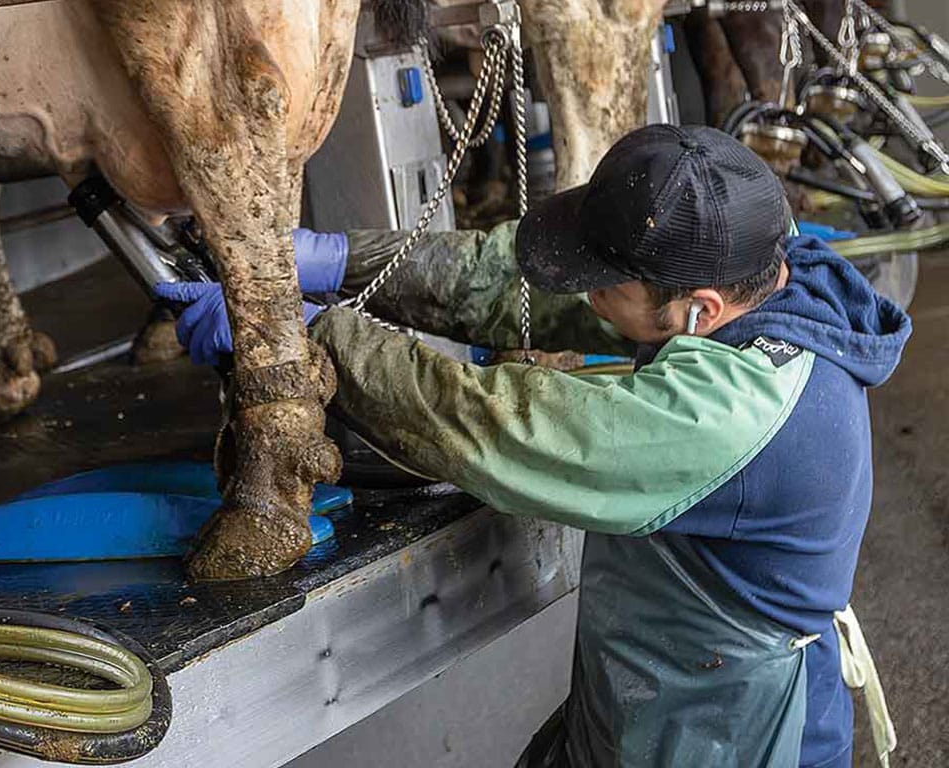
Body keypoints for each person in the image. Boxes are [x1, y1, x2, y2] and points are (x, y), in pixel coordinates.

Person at [156, 125, 910, 768]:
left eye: (602, 285)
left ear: (695, 310)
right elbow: (506, 286)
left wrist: (298, 334)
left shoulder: (731, 412)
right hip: (661, 695)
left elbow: (494, 423)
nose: (584, 299)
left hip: (728, 733)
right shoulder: (776, 275)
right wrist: (340, 260)